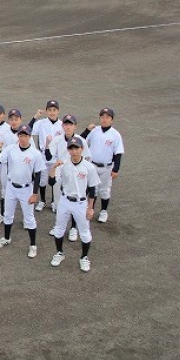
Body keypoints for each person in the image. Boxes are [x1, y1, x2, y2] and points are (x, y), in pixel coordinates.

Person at [0, 125, 46, 258]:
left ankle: (33, 245)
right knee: (8, 214)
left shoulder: (35, 153)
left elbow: (38, 174)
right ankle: (6, 238)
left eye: (25, 135)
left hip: (26, 188)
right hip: (11, 187)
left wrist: (35, 193)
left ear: (29, 137)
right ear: (18, 136)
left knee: (29, 218)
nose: (23, 138)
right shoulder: (10, 149)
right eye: (21, 135)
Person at [48, 137, 101, 272]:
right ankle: (59, 253)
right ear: (68, 150)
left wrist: (90, 208)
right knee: (59, 229)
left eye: (76, 148)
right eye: (71, 148)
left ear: (81, 149)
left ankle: (84, 257)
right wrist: (53, 167)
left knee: (84, 232)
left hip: (81, 203)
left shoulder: (89, 167)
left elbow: (93, 189)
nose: (74, 151)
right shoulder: (64, 165)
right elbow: (52, 182)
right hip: (65, 201)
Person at [45, 114, 91, 240]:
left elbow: (87, 158)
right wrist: (47, 144)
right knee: (59, 201)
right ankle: (58, 225)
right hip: (60, 173)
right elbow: (48, 157)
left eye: (70, 124)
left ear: (75, 126)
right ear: (62, 126)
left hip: (75, 175)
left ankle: (73, 228)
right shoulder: (57, 139)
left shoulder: (81, 140)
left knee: (74, 200)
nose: (68, 127)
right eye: (66, 124)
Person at [82, 107, 125, 223]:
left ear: (112, 120)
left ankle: (104, 211)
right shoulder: (94, 131)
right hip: (93, 166)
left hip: (107, 168)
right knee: (93, 189)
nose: (104, 119)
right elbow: (81, 140)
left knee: (104, 190)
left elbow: (118, 153)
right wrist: (87, 130)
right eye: (102, 117)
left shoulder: (115, 135)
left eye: (107, 117)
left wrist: (116, 169)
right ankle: (90, 210)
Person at [31, 100, 63, 211]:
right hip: (43, 156)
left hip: (56, 156)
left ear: (58, 111)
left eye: (54, 110)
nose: (52, 112)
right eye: (50, 110)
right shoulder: (41, 123)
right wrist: (35, 116)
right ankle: (42, 200)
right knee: (42, 180)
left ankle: (54, 201)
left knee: (55, 179)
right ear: (46, 111)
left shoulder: (62, 124)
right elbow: (29, 130)